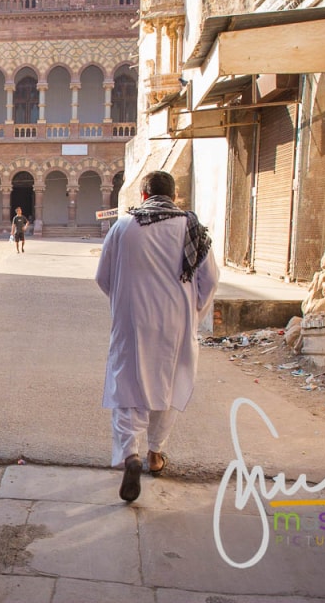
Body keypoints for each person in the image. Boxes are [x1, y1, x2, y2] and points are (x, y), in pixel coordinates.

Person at [94, 171, 218, 503]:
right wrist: (193, 312)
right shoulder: (192, 229)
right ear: (174, 197)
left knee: (128, 388)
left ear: (144, 196)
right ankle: (155, 454)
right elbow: (210, 279)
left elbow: (102, 277)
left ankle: (130, 454)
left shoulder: (122, 227)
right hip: (175, 324)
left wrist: (124, 301)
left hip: (132, 322)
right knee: (167, 383)